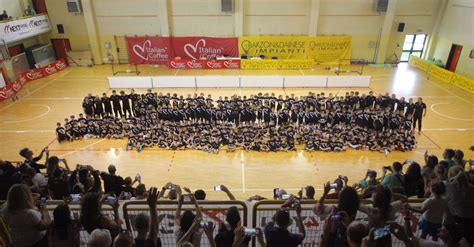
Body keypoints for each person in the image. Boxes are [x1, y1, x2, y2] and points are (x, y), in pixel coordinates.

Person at [445, 166, 474, 245]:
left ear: (450, 175)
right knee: (469, 240)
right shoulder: (471, 187)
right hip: (470, 220)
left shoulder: (449, 187)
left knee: (454, 241)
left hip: (454, 220)